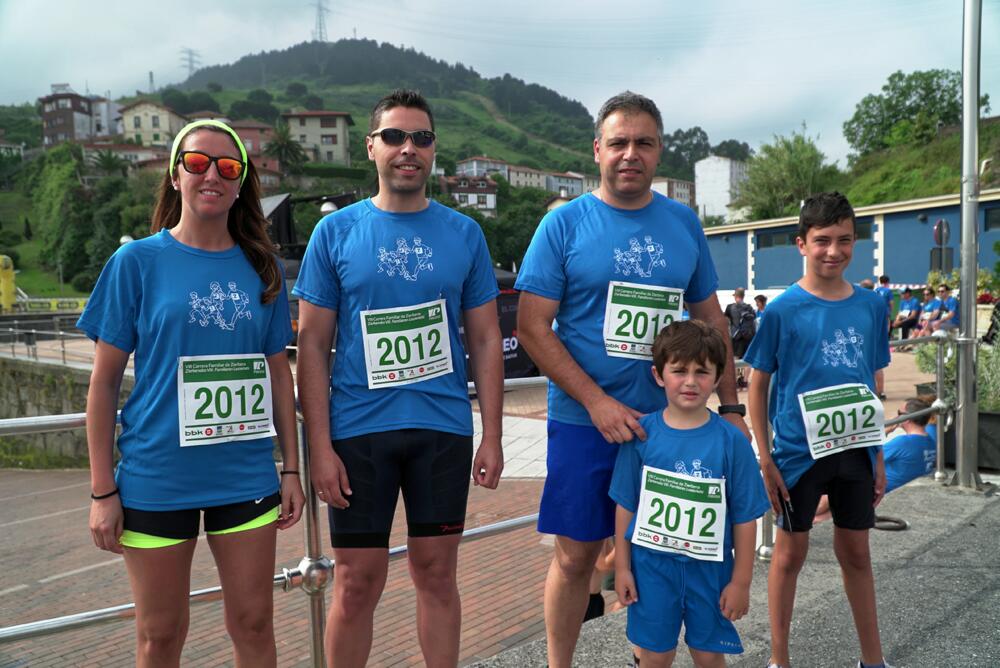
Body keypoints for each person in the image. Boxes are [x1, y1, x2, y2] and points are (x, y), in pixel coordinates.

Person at [515, 90, 749, 668]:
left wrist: (733, 408)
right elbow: (533, 327)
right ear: (597, 150)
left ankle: (648, 656)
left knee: (667, 553)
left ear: (659, 151)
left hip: (671, 423)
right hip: (583, 420)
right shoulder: (563, 225)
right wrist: (596, 403)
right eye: (617, 142)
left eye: (643, 143)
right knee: (575, 558)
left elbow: (710, 318)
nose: (629, 154)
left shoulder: (682, 222)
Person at [80, 119, 303, 667]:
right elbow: (104, 382)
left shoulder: (262, 268)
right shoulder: (135, 263)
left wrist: (292, 469)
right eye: (198, 162)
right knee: (161, 635)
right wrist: (102, 490)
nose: (212, 175)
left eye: (229, 167)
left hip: (244, 474)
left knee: (253, 624)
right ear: (175, 173)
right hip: (157, 477)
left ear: (241, 182)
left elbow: (280, 374)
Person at [294, 89, 504, 668]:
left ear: (434, 150)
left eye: (421, 138)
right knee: (357, 583)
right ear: (371, 147)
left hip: (441, 431)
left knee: (437, 575)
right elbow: (311, 343)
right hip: (358, 433)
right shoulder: (335, 234)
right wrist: (319, 447)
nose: (408, 148)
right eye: (394, 136)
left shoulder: (464, 234)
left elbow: (485, 338)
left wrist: (492, 434)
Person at [743, 192, 893, 668]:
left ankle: (873, 659)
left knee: (858, 553)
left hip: (855, 453)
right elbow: (758, 386)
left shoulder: (871, 306)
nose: (834, 251)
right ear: (801, 244)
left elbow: (869, 383)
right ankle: (779, 659)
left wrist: (879, 456)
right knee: (789, 555)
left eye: (844, 240)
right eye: (822, 240)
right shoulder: (783, 309)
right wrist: (764, 457)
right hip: (797, 455)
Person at [611, 320, 769, 668]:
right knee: (655, 653)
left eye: (702, 371)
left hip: (711, 573)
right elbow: (625, 505)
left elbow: (745, 517)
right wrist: (622, 566)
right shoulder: (641, 437)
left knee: (710, 653)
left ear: (717, 377)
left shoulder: (732, 443)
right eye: (679, 370)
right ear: (658, 375)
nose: (690, 381)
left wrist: (741, 581)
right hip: (652, 570)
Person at [814, 397, 936, 522]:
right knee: (824, 514)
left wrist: (885, 431)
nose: (896, 416)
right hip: (902, 490)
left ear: (907, 418)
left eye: (899, 413)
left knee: (837, 483)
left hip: (880, 492)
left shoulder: (903, 442)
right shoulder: (931, 441)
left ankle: (804, 515)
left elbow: (868, 457)